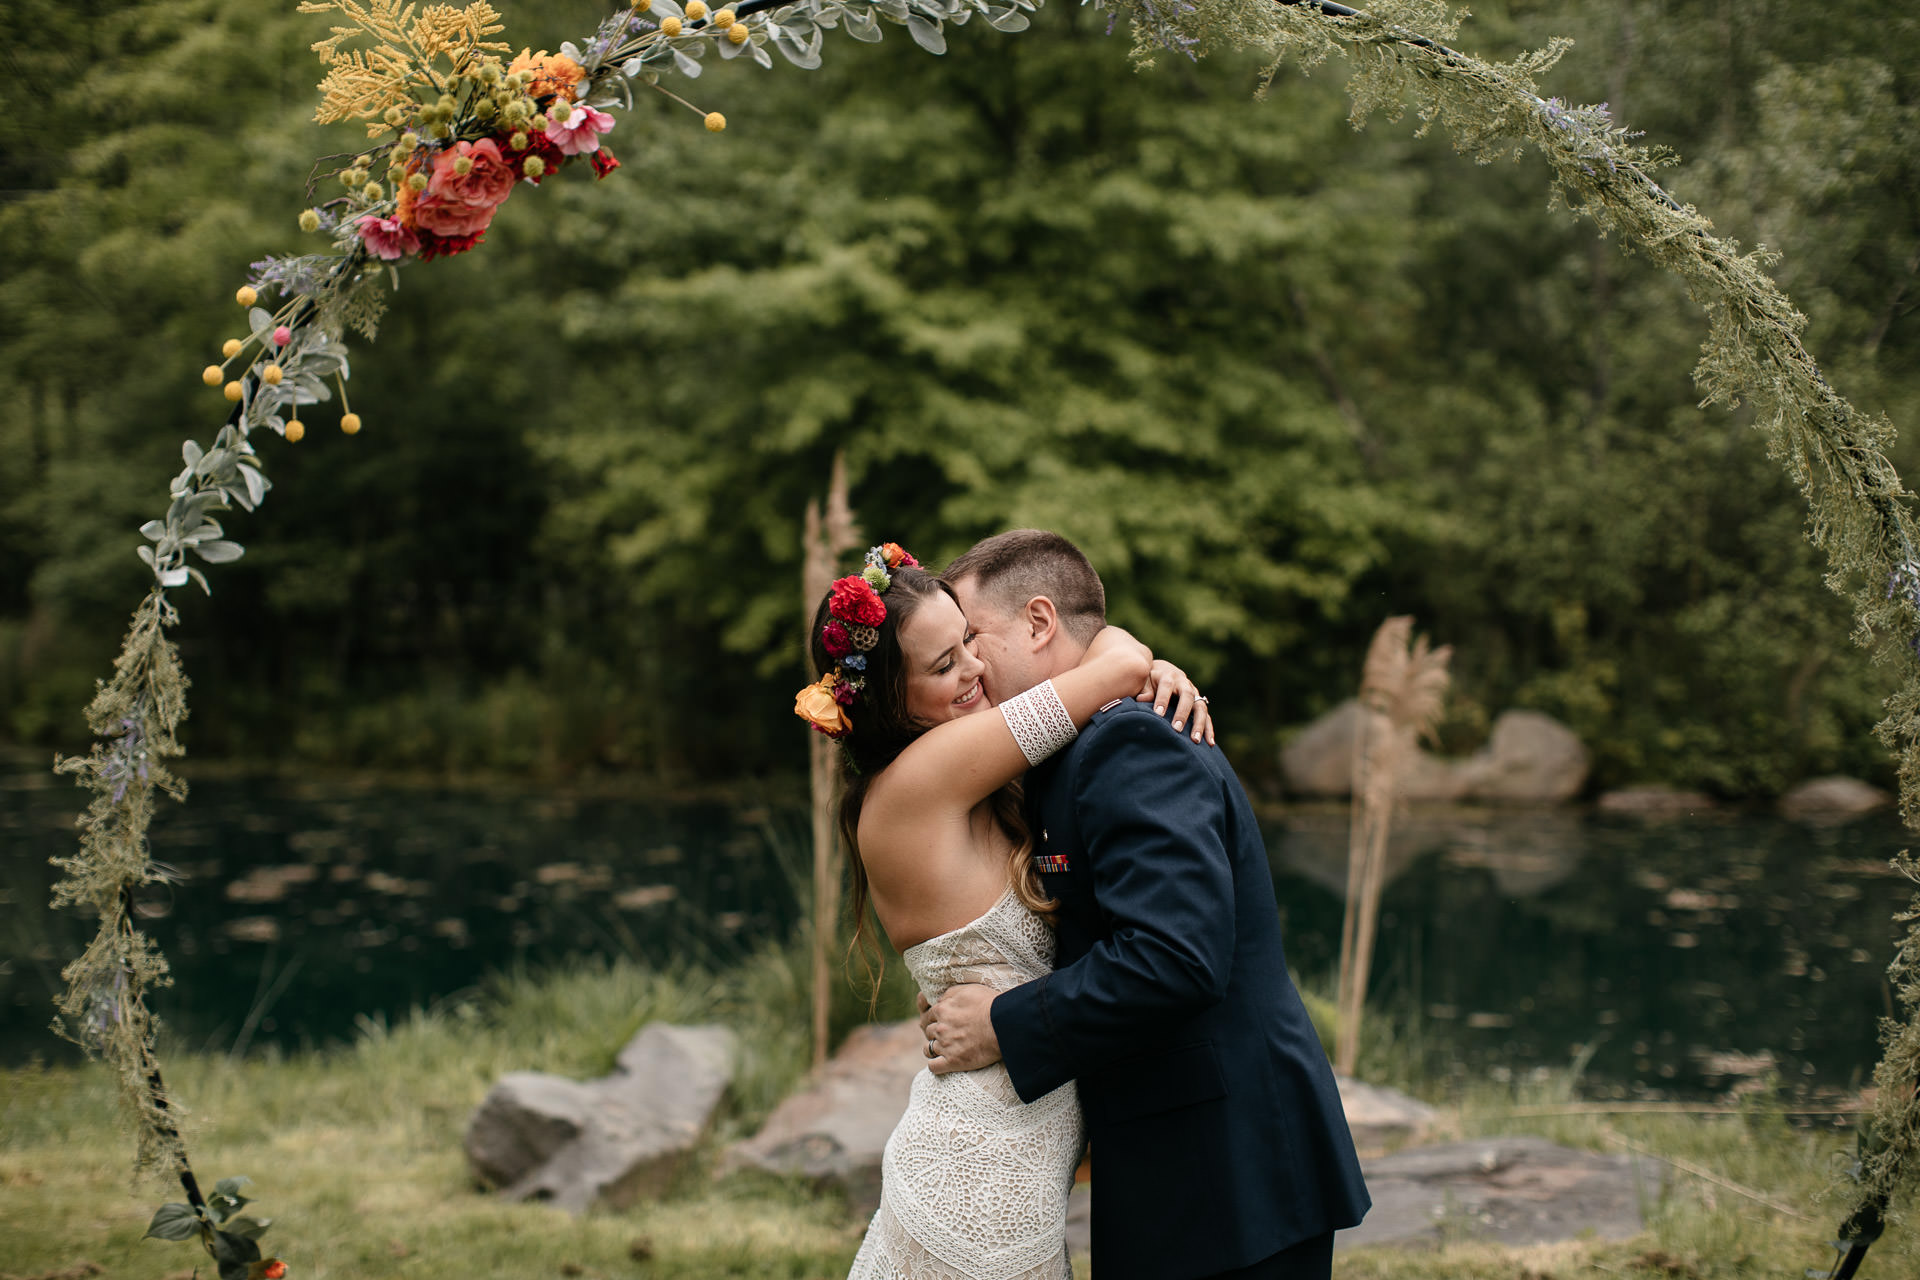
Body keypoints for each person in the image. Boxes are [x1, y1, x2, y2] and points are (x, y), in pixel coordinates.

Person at [920, 529, 1370, 1280]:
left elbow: (1175, 959)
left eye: (972, 638)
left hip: (1230, 1166)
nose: (965, 666)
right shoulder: (1070, 745)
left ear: (1039, 623)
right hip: (1183, 1161)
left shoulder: (1128, 743)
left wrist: (1003, 1024)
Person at [793, 541, 1213, 1280]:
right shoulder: (923, 778)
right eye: (944, 665)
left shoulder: (974, 776)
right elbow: (1113, 661)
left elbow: (1108, 663)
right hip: (975, 1179)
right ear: (892, 702)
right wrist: (1148, 669)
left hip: (1008, 1175)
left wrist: (1151, 672)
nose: (975, 670)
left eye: (968, 642)